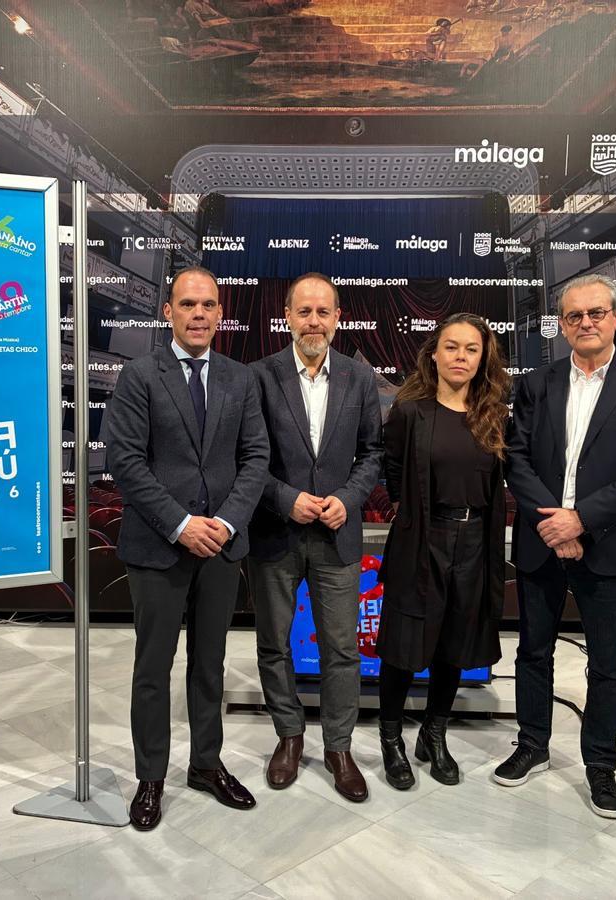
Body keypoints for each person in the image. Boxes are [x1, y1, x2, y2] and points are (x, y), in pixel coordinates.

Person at [493, 273, 616, 819]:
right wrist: (553, 522)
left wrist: (580, 522)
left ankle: (600, 764)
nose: (585, 323)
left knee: (608, 665)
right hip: (542, 540)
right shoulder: (536, 383)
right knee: (532, 653)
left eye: (595, 313)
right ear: (561, 325)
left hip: (607, 544)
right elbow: (514, 458)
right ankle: (532, 745)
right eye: (574, 316)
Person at [101, 266, 269, 831]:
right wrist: (179, 523)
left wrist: (222, 523)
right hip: (159, 546)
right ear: (167, 312)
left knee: (210, 663)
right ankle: (151, 776)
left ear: (221, 313)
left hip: (221, 547)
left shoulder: (240, 380)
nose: (200, 314)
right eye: (188, 304)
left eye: (209, 305)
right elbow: (124, 461)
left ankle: (206, 764)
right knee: (153, 668)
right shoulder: (139, 376)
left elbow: (255, 460)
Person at [248, 273, 383, 802]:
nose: (314, 321)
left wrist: (346, 500)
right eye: (304, 312)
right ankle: (288, 736)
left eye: (323, 312)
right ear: (287, 316)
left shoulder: (358, 377)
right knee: (273, 644)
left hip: (336, 536)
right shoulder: (259, 377)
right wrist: (286, 499)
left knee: (341, 648)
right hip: (275, 533)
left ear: (337, 317)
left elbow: (372, 454)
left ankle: (338, 745)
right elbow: (246, 457)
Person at [376, 314, 510, 790]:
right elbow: (392, 471)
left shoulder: (493, 411)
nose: (460, 357)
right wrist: (411, 515)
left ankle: (434, 734)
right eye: (451, 347)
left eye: (470, 349)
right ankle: (390, 737)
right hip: (423, 540)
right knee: (403, 646)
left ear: (482, 357)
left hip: (475, 543)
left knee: (454, 645)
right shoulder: (411, 411)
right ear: (434, 353)